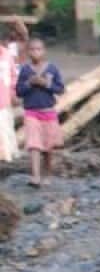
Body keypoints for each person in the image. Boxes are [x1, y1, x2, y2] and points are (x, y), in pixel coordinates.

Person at [16, 38, 66, 187]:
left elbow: (60, 89)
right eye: (32, 49)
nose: (35, 52)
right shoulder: (25, 70)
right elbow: (19, 92)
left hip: (48, 112)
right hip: (31, 112)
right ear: (28, 52)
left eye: (38, 49)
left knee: (48, 147)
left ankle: (47, 174)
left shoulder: (52, 68)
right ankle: (35, 177)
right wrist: (29, 83)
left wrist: (46, 84)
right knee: (34, 144)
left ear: (44, 51)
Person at [0, 21, 24, 164]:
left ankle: (7, 156)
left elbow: (13, 76)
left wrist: (14, 93)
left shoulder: (6, 55)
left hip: (4, 98)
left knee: (5, 126)